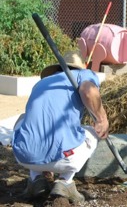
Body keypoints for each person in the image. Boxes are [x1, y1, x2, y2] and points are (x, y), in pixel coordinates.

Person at [12, 51, 109, 203]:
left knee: (23, 119)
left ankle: (36, 178)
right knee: (92, 131)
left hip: (24, 155)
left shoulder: (42, 83)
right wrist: (102, 119)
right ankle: (65, 181)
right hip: (65, 157)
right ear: (80, 67)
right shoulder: (83, 75)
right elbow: (89, 91)